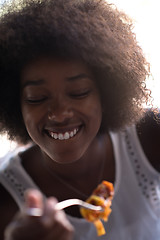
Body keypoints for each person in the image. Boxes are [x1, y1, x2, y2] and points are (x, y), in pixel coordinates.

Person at [0, 0, 159, 239]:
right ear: (15, 105)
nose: (59, 113)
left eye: (79, 93)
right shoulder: (5, 197)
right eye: (37, 98)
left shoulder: (150, 136)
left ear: (106, 93)